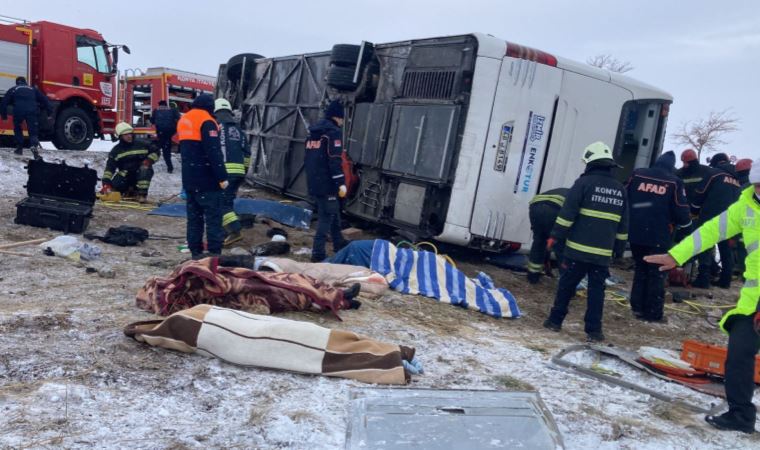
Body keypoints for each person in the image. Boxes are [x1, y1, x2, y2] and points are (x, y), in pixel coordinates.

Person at [644, 159, 760, 434]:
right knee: (739, 356)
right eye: (759, 186)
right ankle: (741, 415)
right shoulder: (745, 207)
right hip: (752, 301)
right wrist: (676, 255)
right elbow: (710, 231)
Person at [542, 142, 628, 342]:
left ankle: (555, 321)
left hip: (577, 251)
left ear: (590, 163)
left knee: (567, 286)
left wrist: (555, 237)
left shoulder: (583, 184)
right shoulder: (620, 189)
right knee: (597, 291)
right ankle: (594, 331)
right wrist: (619, 251)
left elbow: (567, 215)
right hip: (602, 254)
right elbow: (624, 224)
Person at [625, 151, 690, 322]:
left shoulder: (637, 174)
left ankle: (637, 307)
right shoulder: (674, 182)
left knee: (641, 268)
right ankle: (653, 313)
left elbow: (625, 195)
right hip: (658, 235)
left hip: (636, 233)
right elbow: (681, 211)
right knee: (657, 273)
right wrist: (685, 224)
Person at [177, 94, 228, 260]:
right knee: (213, 218)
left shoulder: (184, 120)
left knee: (194, 219)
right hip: (207, 179)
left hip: (190, 179)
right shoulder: (207, 121)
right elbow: (213, 152)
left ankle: (196, 253)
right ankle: (214, 253)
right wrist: (222, 177)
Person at [305, 99, 349, 262]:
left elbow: (309, 160)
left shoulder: (313, 133)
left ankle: (339, 243)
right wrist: (340, 183)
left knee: (334, 213)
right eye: (342, 118)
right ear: (336, 117)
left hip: (314, 182)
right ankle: (318, 254)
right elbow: (334, 160)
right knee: (325, 217)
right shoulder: (332, 133)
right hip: (328, 183)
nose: (343, 122)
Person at [690, 152, 741, 288]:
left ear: (716, 162)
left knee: (705, 246)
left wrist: (694, 211)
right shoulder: (738, 179)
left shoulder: (714, 174)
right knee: (725, 250)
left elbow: (701, 192)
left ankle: (703, 279)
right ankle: (725, 280)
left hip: (712, 217)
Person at [214, 98, 250, 246]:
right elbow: (247, 153)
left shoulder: (216, 128)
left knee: (220, 204)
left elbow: (213, 151)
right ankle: (223, 233)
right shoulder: (239, 130)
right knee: (227, 201)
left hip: (224, 172)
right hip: (238, 173)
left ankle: (235, 230)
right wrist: (244, 171)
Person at [100, 122, 159, 202]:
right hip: (126, 175)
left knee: (144, 169)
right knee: (114, 187)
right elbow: (110, 168)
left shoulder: (143, 144)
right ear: (120, 137)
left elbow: (156, 151)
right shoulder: (116, 151)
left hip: (140, 173)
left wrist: (149, 160)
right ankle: (129, 191)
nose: (129, 136)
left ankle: (142, 195)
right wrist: (106, 183)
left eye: (130, 134)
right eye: (125, 135)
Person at [0, 76, 52, 159]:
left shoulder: (14, 89)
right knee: (33, 130)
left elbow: (4, 103)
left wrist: (4, 117)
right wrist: (49, 113)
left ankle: (19, 148)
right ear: (25, 82)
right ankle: (34, 146)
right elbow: (45, 100)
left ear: (17, 83)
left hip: (18, 111)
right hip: (32, 111)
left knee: (17, 127)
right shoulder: (33, 89)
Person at [527, 188, 569, 284]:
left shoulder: (569, 191)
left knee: (539, 241)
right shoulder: (580, 196)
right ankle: (567, 284)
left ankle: (532, 277)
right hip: (555, 209)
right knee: (561, 247)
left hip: (535, 205)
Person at [151, 100, 181, 173]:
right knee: (166, 150)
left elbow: (152, 121)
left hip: (161, 133)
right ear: (166, 105)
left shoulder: (156, 111)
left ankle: (148, 162)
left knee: (156, 149)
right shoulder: (172, 110)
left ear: (159, 105)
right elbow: (179, 118)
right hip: (169, 133)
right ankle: (169, 168)